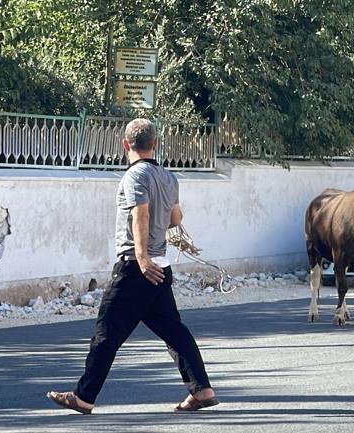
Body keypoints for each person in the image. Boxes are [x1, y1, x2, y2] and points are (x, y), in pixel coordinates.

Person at [47, 118, 218, 414]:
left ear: (126, 145)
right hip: (161, 268)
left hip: (136, 268)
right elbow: (176, 219)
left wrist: (141, 259)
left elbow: (140, 215)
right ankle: (201, 390)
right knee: (174, 332)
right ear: (155, 145)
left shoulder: (134, 176)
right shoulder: (168, 177)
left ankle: (84, 397)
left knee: (105, 333)